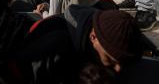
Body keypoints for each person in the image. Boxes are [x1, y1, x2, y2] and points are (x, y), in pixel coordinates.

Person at [14, 5, 144, 82]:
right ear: (93, 37)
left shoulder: (104, 24)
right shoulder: (53, 46)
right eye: (111, 60)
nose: (118, 69)